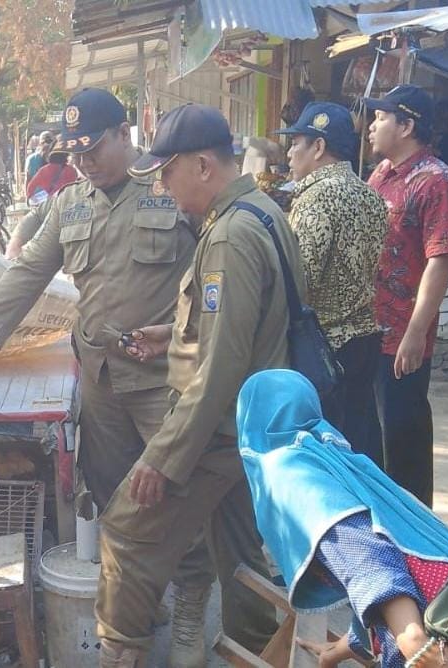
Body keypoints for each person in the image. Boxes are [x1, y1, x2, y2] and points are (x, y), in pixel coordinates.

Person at [0, 89, 226, 668]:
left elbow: (216, 266)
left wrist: (188, 328)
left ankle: (189, 610)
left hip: (161, 379)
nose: (85, 161)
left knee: (177, 493)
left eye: (95, 148)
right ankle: (139, 605)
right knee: (111, 494)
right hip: (100, 379)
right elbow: (30, 269)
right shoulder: (70, 203)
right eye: (75, 151)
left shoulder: (172, 188)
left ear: (125, 134)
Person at [97, 103, 299, 667]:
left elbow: (219, 370)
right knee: (237, 558)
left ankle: (121, 654)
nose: (161, 183)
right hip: (245, 427)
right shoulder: (259, 212)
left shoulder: (230, 237)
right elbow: (237, 329)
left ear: (204, 166)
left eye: (167, 170)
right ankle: (255, 653)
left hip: (215, 432)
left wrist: (161, 458)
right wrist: (173, 335)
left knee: (125, 536)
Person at [235, 369, 448, 668]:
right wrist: (341, 649)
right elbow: (379, 577)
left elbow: (370, 563)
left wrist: (419, 647)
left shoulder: (288, 474)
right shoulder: (334, 456)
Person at [364, 85, 448, 507]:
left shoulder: (438, 182)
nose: (371, 126)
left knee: (402, 442)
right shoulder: (380, 175)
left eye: (381, 118)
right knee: (372, 444)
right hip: (368, 331)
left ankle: (418, 548)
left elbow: (439, 262)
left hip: (401, 340)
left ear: (406, 125)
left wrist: (416, 332)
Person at [275, 102, 388, 463]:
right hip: (365, 339)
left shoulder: (316, 197)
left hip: (325, 348)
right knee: (358, 447)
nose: (290, 152)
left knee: (327, 458)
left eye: (297, 142)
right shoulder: (369, 194)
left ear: (319, 147)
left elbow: (299, 280)